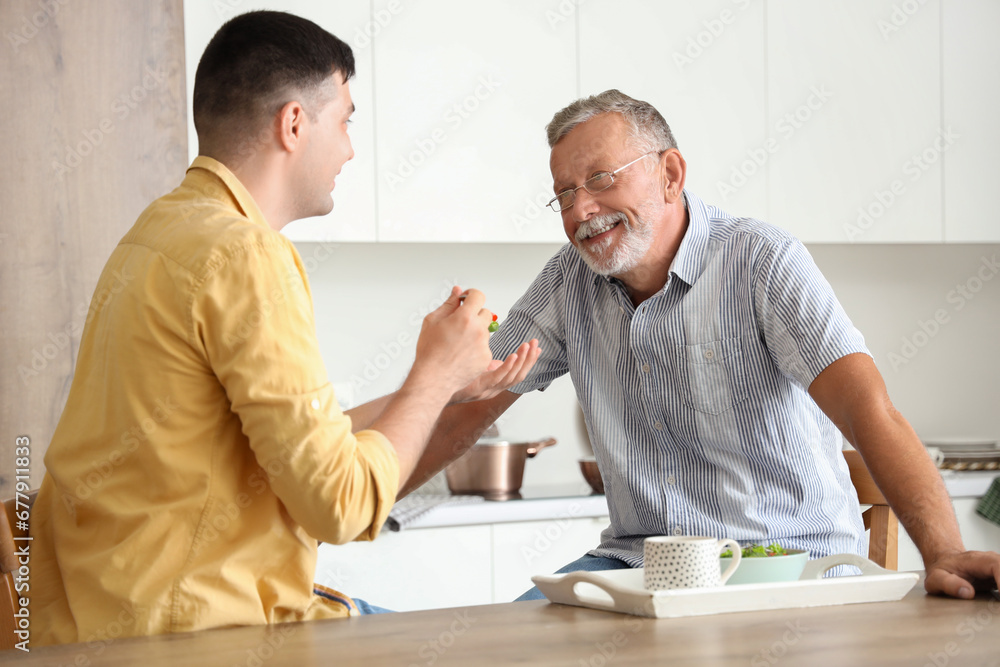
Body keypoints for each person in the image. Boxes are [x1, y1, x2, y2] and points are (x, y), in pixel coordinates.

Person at [28, 11, 539, 645]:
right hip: (198, 635)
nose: (351, 148)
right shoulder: (246, 255)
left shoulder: (156, 234)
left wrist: (449, 389)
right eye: (346, 120)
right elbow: (340, 504)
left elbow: (277, 449)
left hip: (100, 619)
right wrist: (431, 379)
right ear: (294, 123)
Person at [405, 89, 1000, 600]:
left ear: (670, 174)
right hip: (643, 568)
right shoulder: (569, 281)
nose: (580, 209)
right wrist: (353, 503)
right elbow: (466, 407)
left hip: (786, 564)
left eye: (600, 180)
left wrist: (944, 552)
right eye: (563, 193)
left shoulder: (762, 262)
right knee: (500, 645)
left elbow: (870, 412)